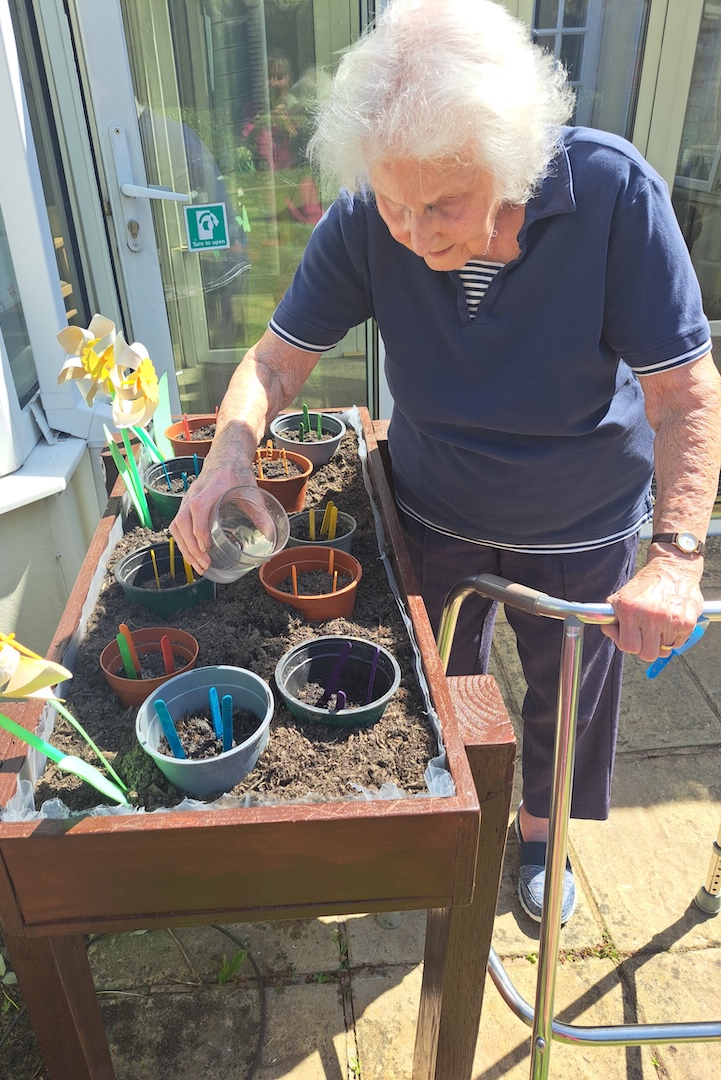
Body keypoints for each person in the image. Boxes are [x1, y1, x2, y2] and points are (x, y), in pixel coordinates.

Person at [171, 0, 721, 924]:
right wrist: (226, 461)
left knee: (567, 689)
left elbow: (684, 394)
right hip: (433, 509)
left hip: (578, 515)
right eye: (394, 204)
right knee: (436, 684)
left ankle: (543, 836)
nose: (417, 234)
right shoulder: (369, 217)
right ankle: (441, 823)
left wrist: (674, 555)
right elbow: (273, 363)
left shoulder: (613, 194)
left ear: (510, 163)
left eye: (443, 206)